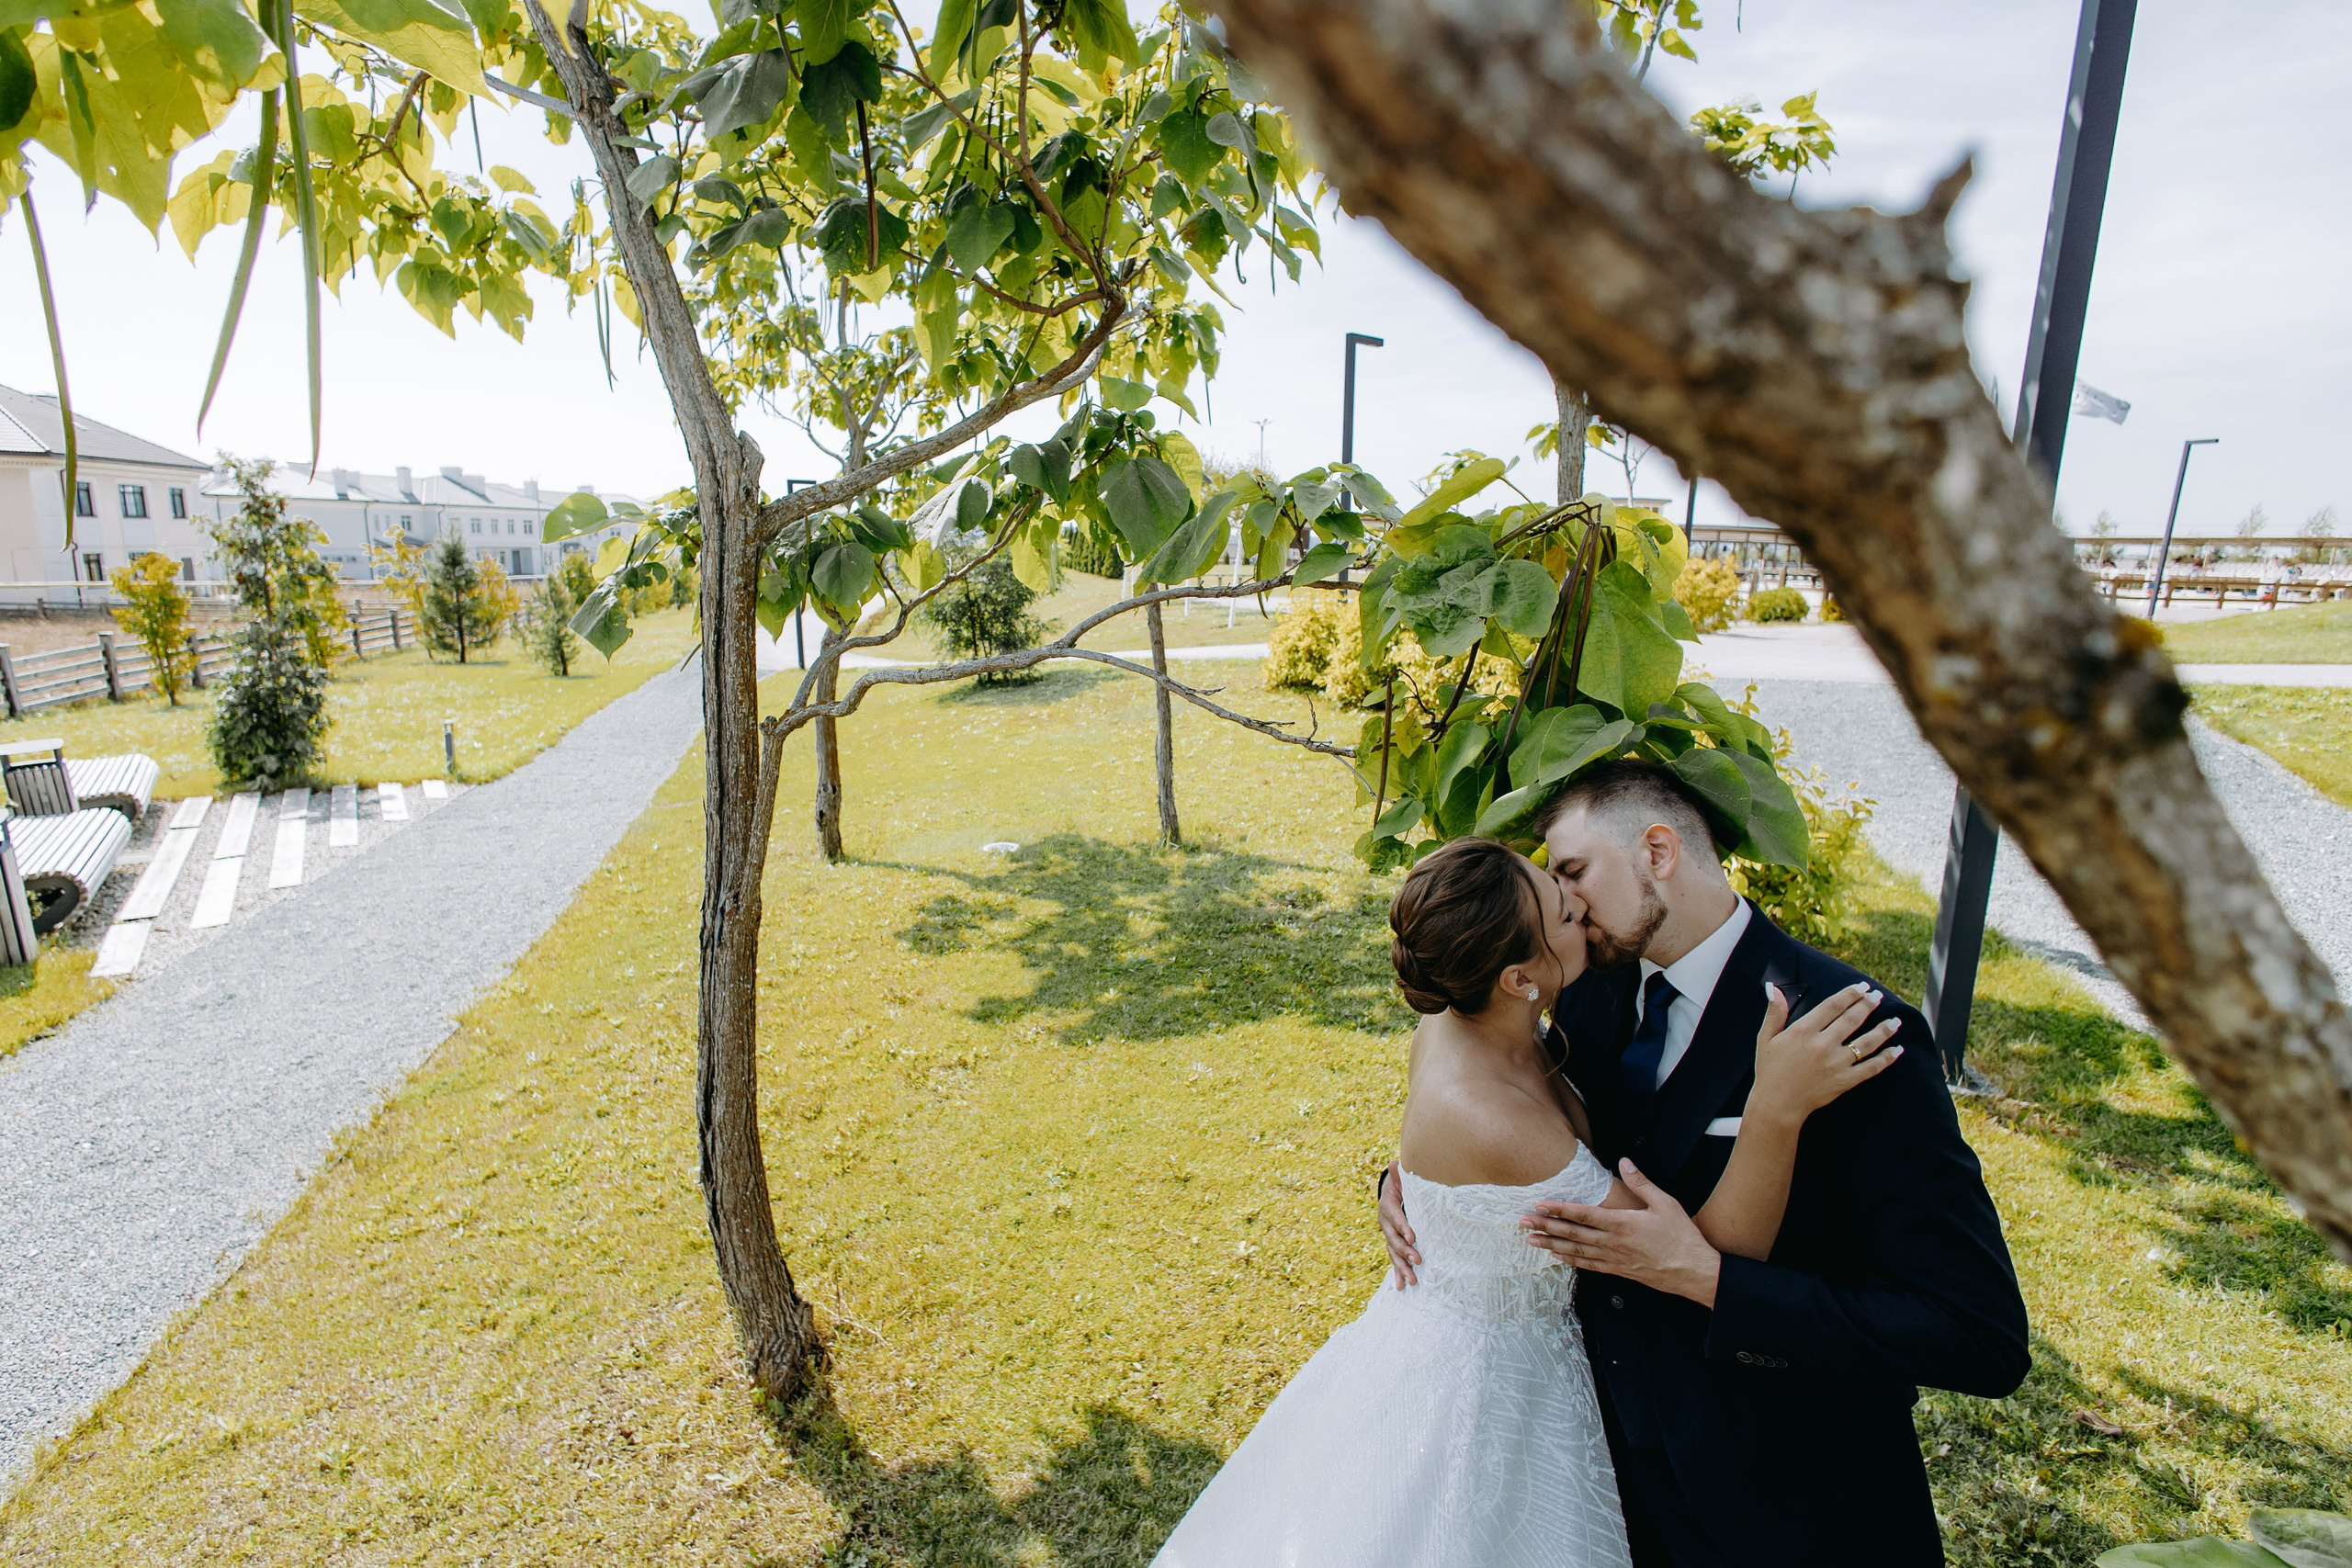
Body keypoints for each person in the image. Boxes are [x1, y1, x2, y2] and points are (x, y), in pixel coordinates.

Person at [1155, 835, 1907, 1567]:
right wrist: (1776, 1107)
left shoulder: (1467, 1011)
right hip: (1487, 1390)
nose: (1578, 900)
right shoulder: (1503, 1123)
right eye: (1564, 912)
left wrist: (1409, 1184)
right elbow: (1705, 1255)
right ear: (1520, 979)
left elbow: (1446, 1156)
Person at [1380, 759, 2031, 1567]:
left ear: (1659, 851)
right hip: (1602, 1480)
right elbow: (1507, 1106)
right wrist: (1425, 1188)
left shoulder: (1849, 1033)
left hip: (1788, 1506)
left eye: (1574, 871)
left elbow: (1979, 1334)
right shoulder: (1581, 983)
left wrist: (1724, 1286)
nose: (1570, 903)